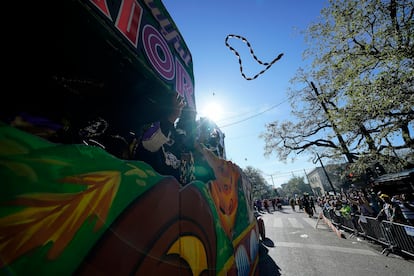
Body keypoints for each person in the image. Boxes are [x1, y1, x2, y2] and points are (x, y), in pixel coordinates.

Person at [134, 92, 195, 185]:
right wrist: (172, 116)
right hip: (147, 185)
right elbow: (148, 145)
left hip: (173, 192)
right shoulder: (150, 123)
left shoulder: (177, 134)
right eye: (176, 99)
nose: (180, 103)